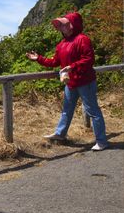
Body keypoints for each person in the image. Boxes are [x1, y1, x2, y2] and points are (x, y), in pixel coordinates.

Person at [26, 11, 109, 151]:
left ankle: (101, 141)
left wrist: (72, 67)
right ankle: (60, 134)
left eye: (63, 25)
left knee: (92, 111)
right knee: (67, 110)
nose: (61, 28)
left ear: (72, 25)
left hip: (85, 82)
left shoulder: (83, 39)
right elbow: (54, 61)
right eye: (60, 26)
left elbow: (89, 59)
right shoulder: (62, 44)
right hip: (71, 83)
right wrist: (38, 58)